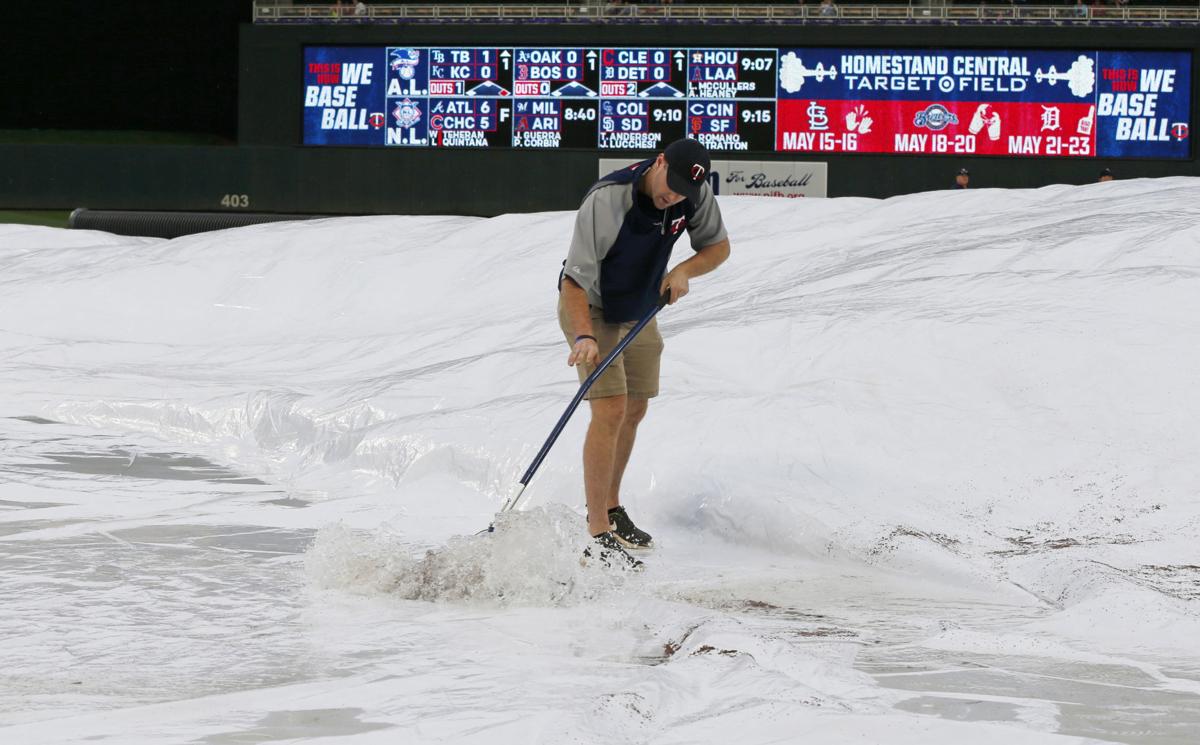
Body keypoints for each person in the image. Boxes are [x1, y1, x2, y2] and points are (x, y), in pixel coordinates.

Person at [558, 138, 730, 569]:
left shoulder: (693, 194)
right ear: (658, 162)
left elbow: (718, 247)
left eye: (681, 192)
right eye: (668, 184)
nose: (672, 196)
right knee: (610, 409)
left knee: (635, 408)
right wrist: (584, 337)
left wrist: (684, 271)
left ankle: (612, 508)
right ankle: (598, 533)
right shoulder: (607, 199)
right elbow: (573, 282)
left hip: (639, 307)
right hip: (592, 307)